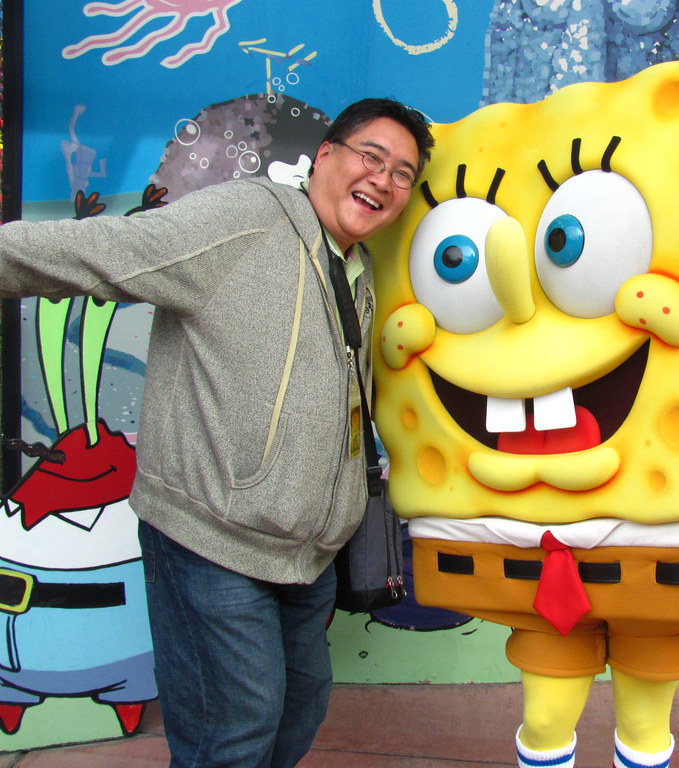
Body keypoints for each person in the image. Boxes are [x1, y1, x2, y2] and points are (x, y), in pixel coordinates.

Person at [0, 97, 434, 767]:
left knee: (300, 705)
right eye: (371, 157)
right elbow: (102, 251)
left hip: (307, 555)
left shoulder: (358, 268)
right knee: (234, 731)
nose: (384, 180)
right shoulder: (244, 218)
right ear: (325, 155)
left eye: (403, 173)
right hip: (212, 541)